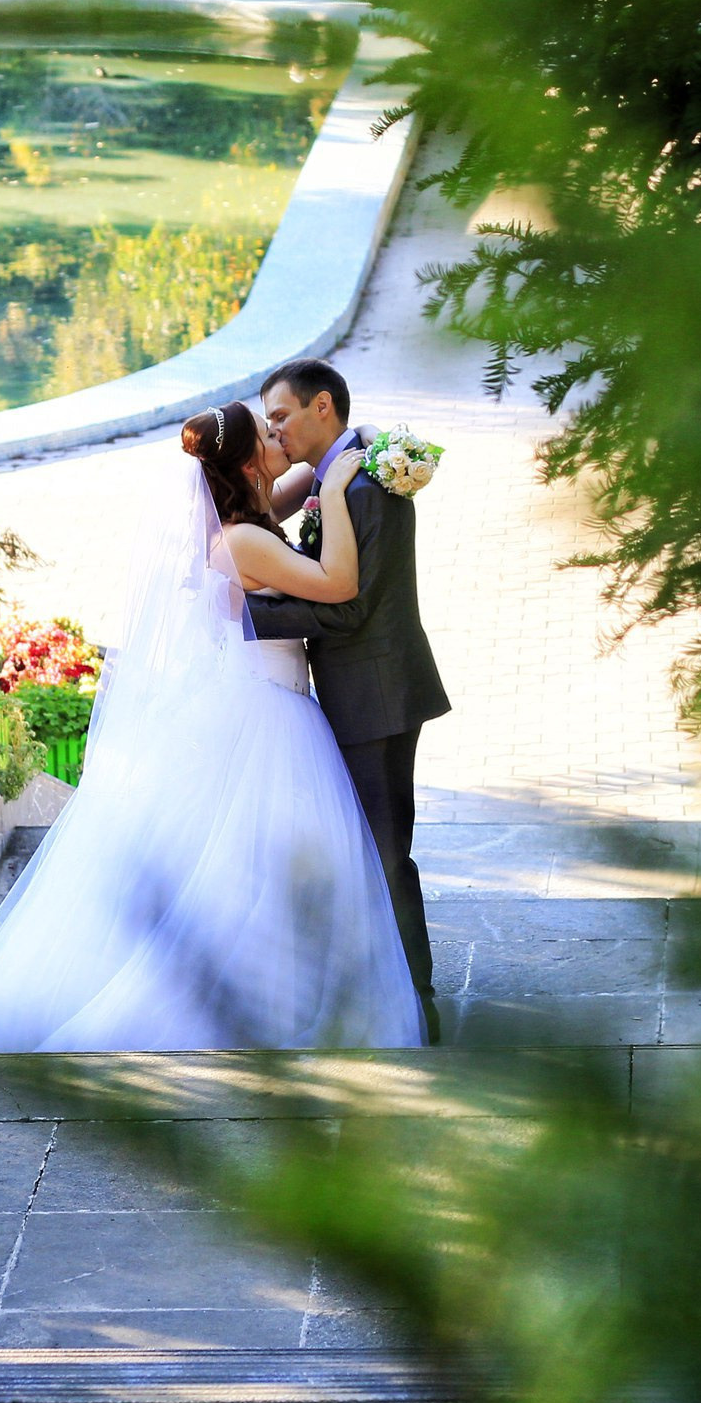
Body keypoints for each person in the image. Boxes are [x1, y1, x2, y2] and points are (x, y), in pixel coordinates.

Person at [0, 400, 424, 1054]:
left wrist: (343, 456)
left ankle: (269, 994)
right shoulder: (243, 539)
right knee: (257, 870)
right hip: (271, 714)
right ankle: (249, 1005)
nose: (282, 440)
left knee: (251, 873)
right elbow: (337, 581)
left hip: (261, 704)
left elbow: (284, 486)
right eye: (271, 435)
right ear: (247, 462)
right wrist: (334, 486)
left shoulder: (239, 519)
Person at [249, 360, 452, 1043]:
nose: (274, 429)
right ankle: (390, 991)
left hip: (376, 696)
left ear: (323, 408)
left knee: (385, 854)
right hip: (374, 689)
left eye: (280, 416)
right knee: (374, 850)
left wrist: (243, 615)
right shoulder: (345, 467)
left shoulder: (362, 486)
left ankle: (416, 1002)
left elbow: (350, 610)